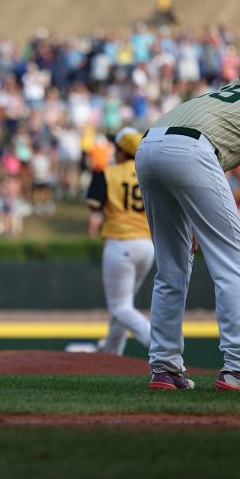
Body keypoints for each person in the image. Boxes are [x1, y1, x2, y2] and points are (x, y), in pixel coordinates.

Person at [135, 47, 240, 392]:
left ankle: (164, 368)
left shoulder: (219, 94)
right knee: (236, 259)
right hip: (192, 151)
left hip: (149, 146)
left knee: (171, 268)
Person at [85, 128, 152, 356]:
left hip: (120, 243)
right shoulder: (150, 173)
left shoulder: (108, 173)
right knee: (124, 304)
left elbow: (93, 204)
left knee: (120, 306)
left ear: (123, 151)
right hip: (147, 245)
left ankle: (160, 345)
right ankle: (112, 352)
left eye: (117, 148)